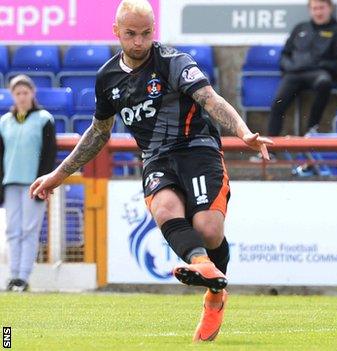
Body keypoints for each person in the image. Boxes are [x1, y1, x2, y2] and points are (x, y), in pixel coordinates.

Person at [29, 0, 273, 342]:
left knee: (208, 228)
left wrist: (243, 132)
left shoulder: (174, 62)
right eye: (131, 34)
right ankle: (201, 263)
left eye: (145, 34)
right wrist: (58, 174)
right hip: (156, 158)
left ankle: (215, 295)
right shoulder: (108, 78)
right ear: (116, 32)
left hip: (197, 148)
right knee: (163, 208)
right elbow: (100, 132)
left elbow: (210, 99)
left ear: (152, 31)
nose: (139, 42)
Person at [1, 75, 57, 292]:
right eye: (18, 93)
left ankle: (24, 276)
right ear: (12, 96)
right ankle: (13, 275)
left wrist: (44, 182)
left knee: (29, 230)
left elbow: (49, 154)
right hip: (11, 183)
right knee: (12, 230)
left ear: (32, 93)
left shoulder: (44, 119)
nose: (22, 97)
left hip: (34, 184)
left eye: (25, 92)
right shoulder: (4, 121)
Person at [267, 0, 337, 138]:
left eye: (321, 8)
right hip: (294, 73)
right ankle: (270, 148)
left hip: (319, 74)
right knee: (278, 102)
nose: (318, 12)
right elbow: (285, 55)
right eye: (314, 8)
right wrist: (290, 67)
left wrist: (320, 65)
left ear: (329, 8)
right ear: (310, 10)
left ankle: (311, 130)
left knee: (324, 82)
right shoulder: (300, 28)